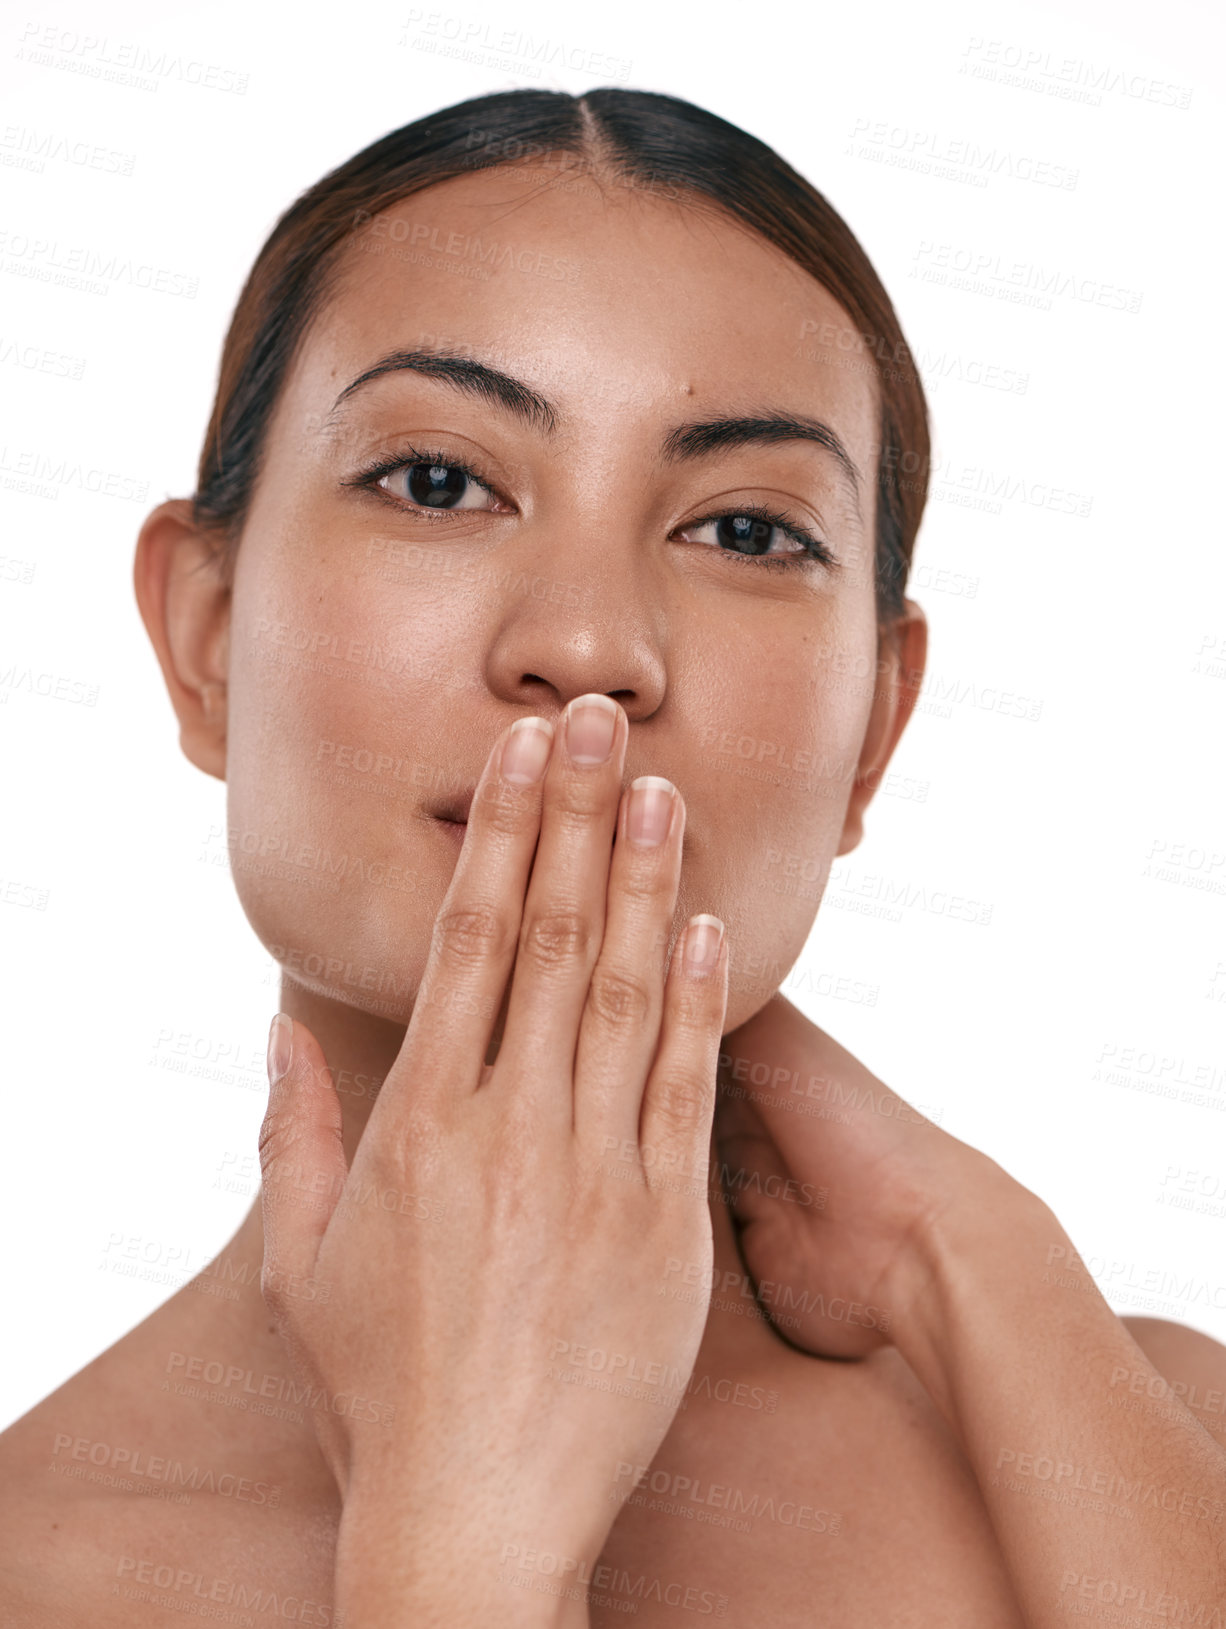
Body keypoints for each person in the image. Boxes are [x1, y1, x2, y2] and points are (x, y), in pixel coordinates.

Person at [2, 86, 1223, 1627]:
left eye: (745, 532)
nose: (588, 646)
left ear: (873, 729)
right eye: (437, 481)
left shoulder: (1161, 1441)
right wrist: (462, 1552)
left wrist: (968, 1248)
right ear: (205, 637)